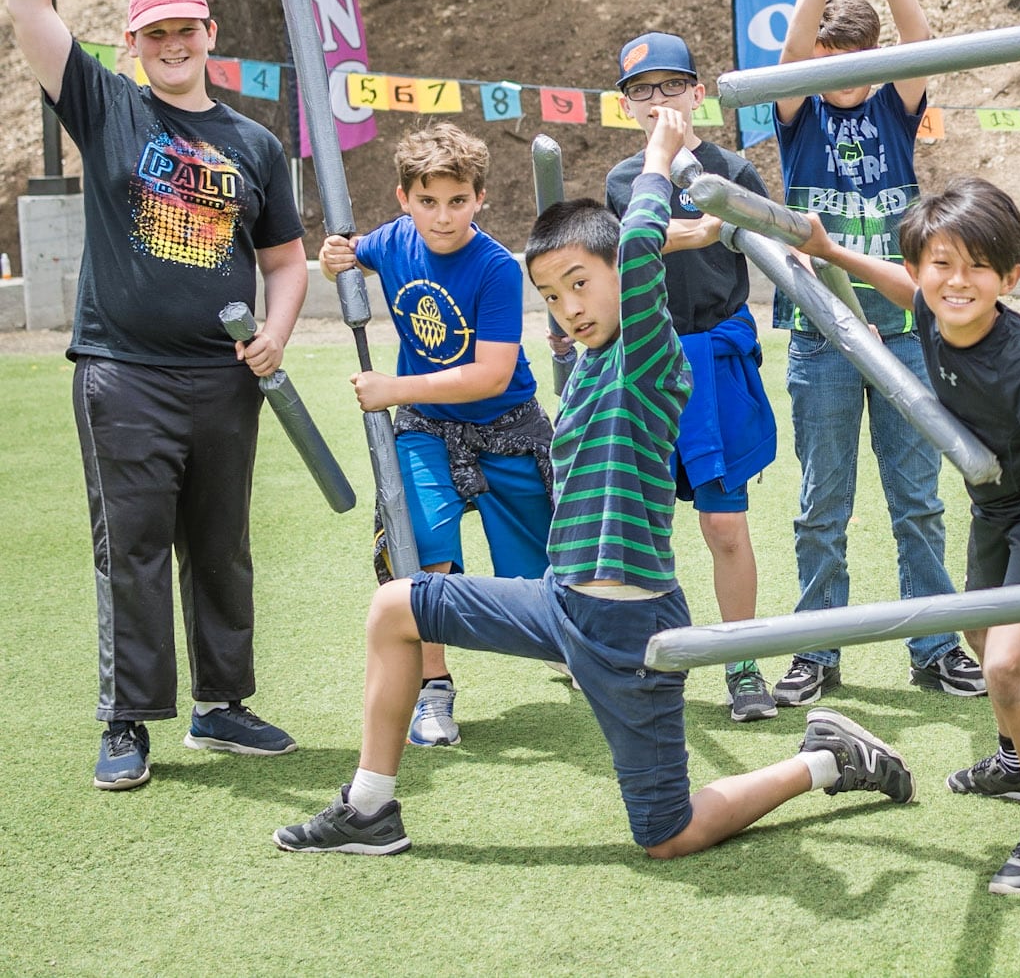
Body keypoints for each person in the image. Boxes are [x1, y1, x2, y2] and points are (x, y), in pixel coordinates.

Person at [273, 106, 914, 857]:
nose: (569, 306)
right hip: (557, 602)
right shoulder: (587, 369)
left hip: (625, 628)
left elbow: (641, 244)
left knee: (666, 834)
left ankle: (827, 759)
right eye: (551, 294)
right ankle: (370, 806)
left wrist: (658, 153)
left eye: (581, 283)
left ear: (623, 279)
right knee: (394, 607)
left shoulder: (648, 352)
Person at [6, 0, 308, 790]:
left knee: (221, 546)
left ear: (209, 32)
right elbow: (28, 9)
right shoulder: (106, 109)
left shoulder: (255, 143)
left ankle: (223, 706)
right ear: (132, 45)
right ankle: (128, 719)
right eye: (154, 33)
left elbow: (286, 260)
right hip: (123, 371)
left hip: (225, 378)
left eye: (185, 28)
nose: (172, 44)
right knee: (130, 547)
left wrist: (278, 331)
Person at [802, 178, 1020, 894]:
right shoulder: (932, 304)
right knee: (984, 641)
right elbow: (905, 285)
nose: (957, 282)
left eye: (977, 268)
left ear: (1010, 277)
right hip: (996, 501)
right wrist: (832, 251)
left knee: (1010, 665)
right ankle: (1019, 761)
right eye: (942, 264)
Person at [768, 0, 984, 705]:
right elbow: (787, 54)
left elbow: (922, 45)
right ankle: (816, 648)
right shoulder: (800, 113)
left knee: (918, 500)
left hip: (902, 331)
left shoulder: (896, 108)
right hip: (821, 333)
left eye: (856, 58)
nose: (841, 72)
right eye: (829, 58)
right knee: (822, 501)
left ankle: (933, 648)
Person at [318, 123, 554, 748]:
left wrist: (393, 390)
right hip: (426, 427)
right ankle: (435, 688)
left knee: (540, 573)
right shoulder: (393, 242)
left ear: (480, 199)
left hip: (507, 427)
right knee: (419, 546)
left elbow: (492, 372)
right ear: (403, 198)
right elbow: (350, 254)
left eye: (457, 201)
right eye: (427, 202)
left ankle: (575, 644)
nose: (442, 217)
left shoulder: (499, 268)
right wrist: (335, 257)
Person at [600, 33, 779, 722]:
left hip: (717, 359)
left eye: (671, 85)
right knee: (637, 527)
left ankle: (741, 664)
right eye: (641, 90)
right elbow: (619, 242)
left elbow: (771, 233)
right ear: (626, 105)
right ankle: (632, 658)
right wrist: (699, 230)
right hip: (645, 361)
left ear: (698, 93)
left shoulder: (730, 166)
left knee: (724, 523)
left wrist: (722, 218)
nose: (658, 100)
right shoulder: (626, 180)